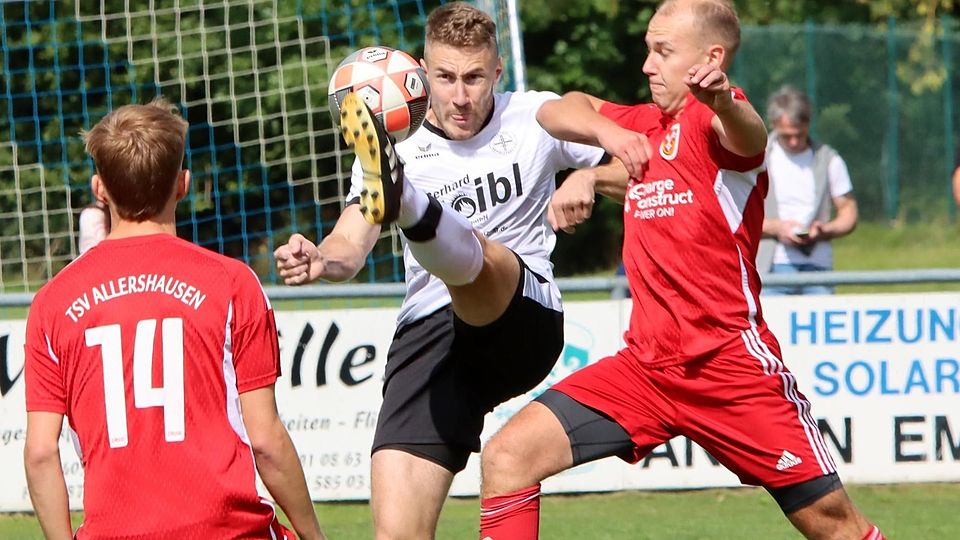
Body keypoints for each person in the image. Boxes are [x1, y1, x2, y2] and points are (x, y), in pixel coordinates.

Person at [478, 2, 885, 540]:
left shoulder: (716, 116)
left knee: (836, 526)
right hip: (645, 370)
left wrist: (719, 96)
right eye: (649, 48)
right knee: (507, 457)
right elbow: (557, 110)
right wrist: (600, 156)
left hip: (729, 368)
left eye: (663, 51)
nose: (647, 64)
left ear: (710, 57)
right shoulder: (643, 123)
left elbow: (748, 135)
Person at [274, 3, 628, 538]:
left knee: (483, 259)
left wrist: (591, 179)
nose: (460, 96)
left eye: (474, 78)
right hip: (432, 338)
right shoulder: (398, 145)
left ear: (497, 74)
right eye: (445, 77)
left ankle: (411, 204)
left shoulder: (534, 116)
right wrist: (321, 260)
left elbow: (645, 159)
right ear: (422, 72)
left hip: (521, 318)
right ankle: (408, 202)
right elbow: (351, 241)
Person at [23, 98, 325, 540]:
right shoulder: (232, 283)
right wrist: (313, 534)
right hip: (227, 530)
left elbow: (39, 453)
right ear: (183, 184)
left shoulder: (52, 302)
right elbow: (265, 439)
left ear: (99, 189)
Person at [755, 85, 858, 295]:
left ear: (808, 124)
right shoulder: (756, 158)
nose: (793, 142)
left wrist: (823, 231)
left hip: (818, 269)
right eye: (786, 136)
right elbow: (733, 214)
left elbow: (848, 211)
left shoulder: (829, 159)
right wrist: (776, 228)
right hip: (771, 268)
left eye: (799, 135)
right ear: (773, 124)